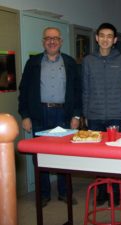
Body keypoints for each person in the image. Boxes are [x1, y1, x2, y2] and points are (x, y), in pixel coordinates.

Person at [18, 27, 82, 207]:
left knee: (64, 154)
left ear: (61, 41)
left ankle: (64, 192)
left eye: (55, 38)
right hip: (39, 114)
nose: (51, 41)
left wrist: (76, 114)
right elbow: (24, 90)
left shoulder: (70, 62)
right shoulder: (33, 63)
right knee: (40, 155)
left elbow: (78, 91)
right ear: (43, 42)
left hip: (64, 114)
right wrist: (25, 115)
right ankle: (43, 193)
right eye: (48, 38)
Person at [82, 22, 121, 206]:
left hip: (115, 116)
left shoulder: (120, 60)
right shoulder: (88, 60)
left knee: (115, 157)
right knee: (98, 158)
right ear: (96, 38)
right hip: (94, 117)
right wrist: (86, 115)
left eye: (109, 36)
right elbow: (85, 90)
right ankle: (102, 192)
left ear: (115, 40)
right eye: (102, 35)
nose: (105, 39)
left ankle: (116, 194)